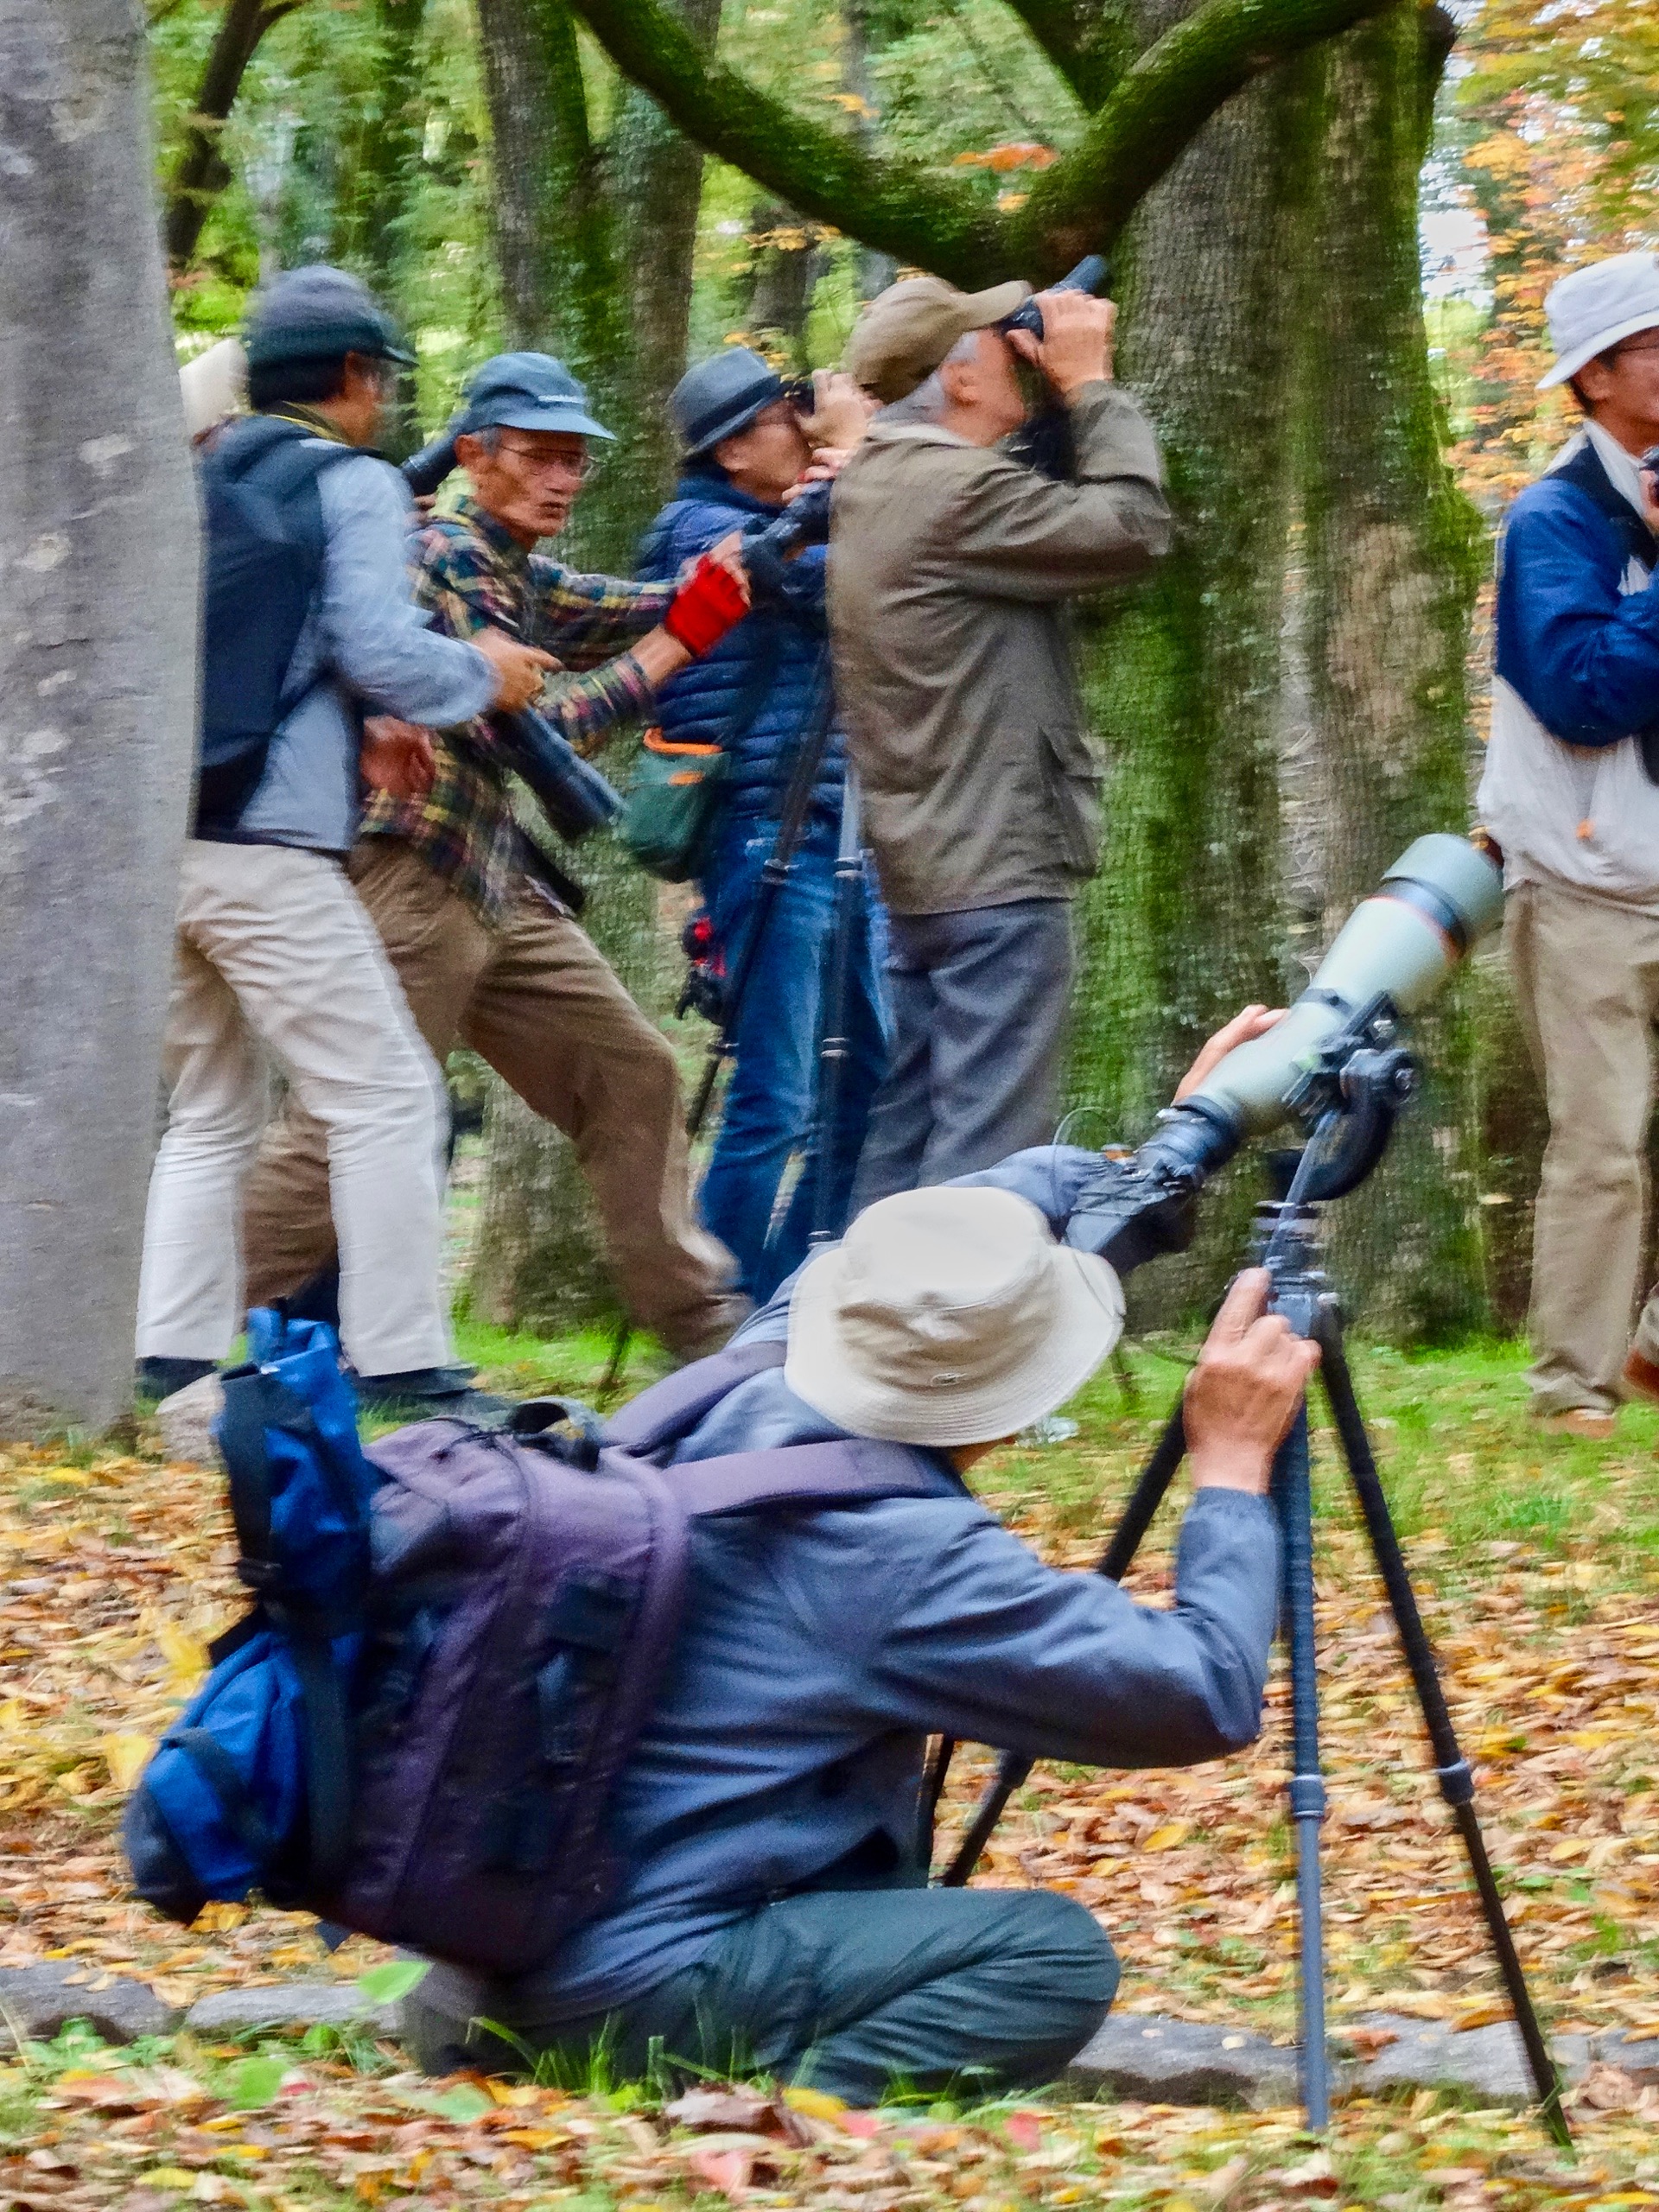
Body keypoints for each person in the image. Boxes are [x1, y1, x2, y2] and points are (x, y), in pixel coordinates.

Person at [404, 1011, 1313, 2104]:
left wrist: (1182, 1138)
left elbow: (978, 1239)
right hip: (619, 1995)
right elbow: (1203, 1690)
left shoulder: (751, 1368)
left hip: (480, 1956)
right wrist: (1229, 1469)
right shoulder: (900, 1554)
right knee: (1050, 1955)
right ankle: (763, 2117)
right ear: (1016, 1399)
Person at [238, 352, 755, 1364]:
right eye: (541, 457)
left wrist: (734, 569)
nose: (564, 479)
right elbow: (532, 718)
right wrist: (681, 642)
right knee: (347, 1124)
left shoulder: (513, 563)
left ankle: (707, 1338)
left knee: (633, 1071)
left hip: (492, 885)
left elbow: (621, 603)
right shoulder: (443, 555)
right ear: (475, 454)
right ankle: (159, 1334)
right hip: (413, 872)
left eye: (578, 462)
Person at [135, 270, 552, 1410]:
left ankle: (169, 1369)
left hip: (158, 844)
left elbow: (260, 652)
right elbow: (377, 643)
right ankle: (408, 1366)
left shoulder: (200, 469)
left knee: (214, 1107)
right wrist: (486, 675)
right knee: (388, 1097)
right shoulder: (355, 483)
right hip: (270, 851)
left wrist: (357, 724)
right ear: (359, 378)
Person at [830, 275, 1172, 1205]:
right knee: (982, 1163)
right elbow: (1132, 528)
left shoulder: (880, 480)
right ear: (964, 375)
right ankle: (945, 1339)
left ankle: (844, 1336)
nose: (1014, 343)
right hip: (994, 874)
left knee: (904, 1149)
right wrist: (1092, 382)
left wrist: (1055, 401)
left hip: (928, 869)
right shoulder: (951, 492)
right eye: (996, 336)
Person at [639, 349, 887, 1301]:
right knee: (773, 1097)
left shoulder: (775, 518)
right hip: (762, 825)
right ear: (737, 445)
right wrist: (854, 467)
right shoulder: (703, 527)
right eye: (791, 412)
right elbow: (841, 586)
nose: (806, 422)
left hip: (831, 829)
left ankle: (777, 1298)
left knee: (867, 1074)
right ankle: (718, 1317)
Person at [1477, 251, 1659, 1438]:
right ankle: (1571, 1403)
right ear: (1596, 376)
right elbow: (1588, 689)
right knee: (1601, 1149)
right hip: (1590, 887)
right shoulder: (1555, 519)